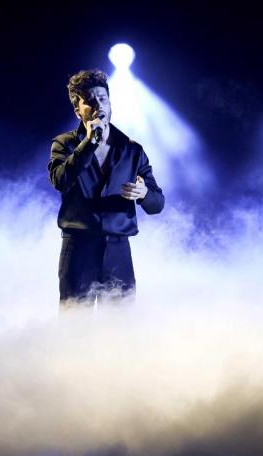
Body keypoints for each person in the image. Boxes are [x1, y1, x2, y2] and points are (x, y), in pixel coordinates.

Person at [47, 69, 164, 306]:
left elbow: (157, 204)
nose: (98, 105)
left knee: (120, 322)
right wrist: (89, 143)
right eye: (90, 101)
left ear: (110, 103)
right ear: (78, 111)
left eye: (102, 98)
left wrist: (144, 194)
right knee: (75, 321)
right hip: (79, 248)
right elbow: (60, 180)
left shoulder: (132, 150)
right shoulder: (65, 144)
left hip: (118, 251)